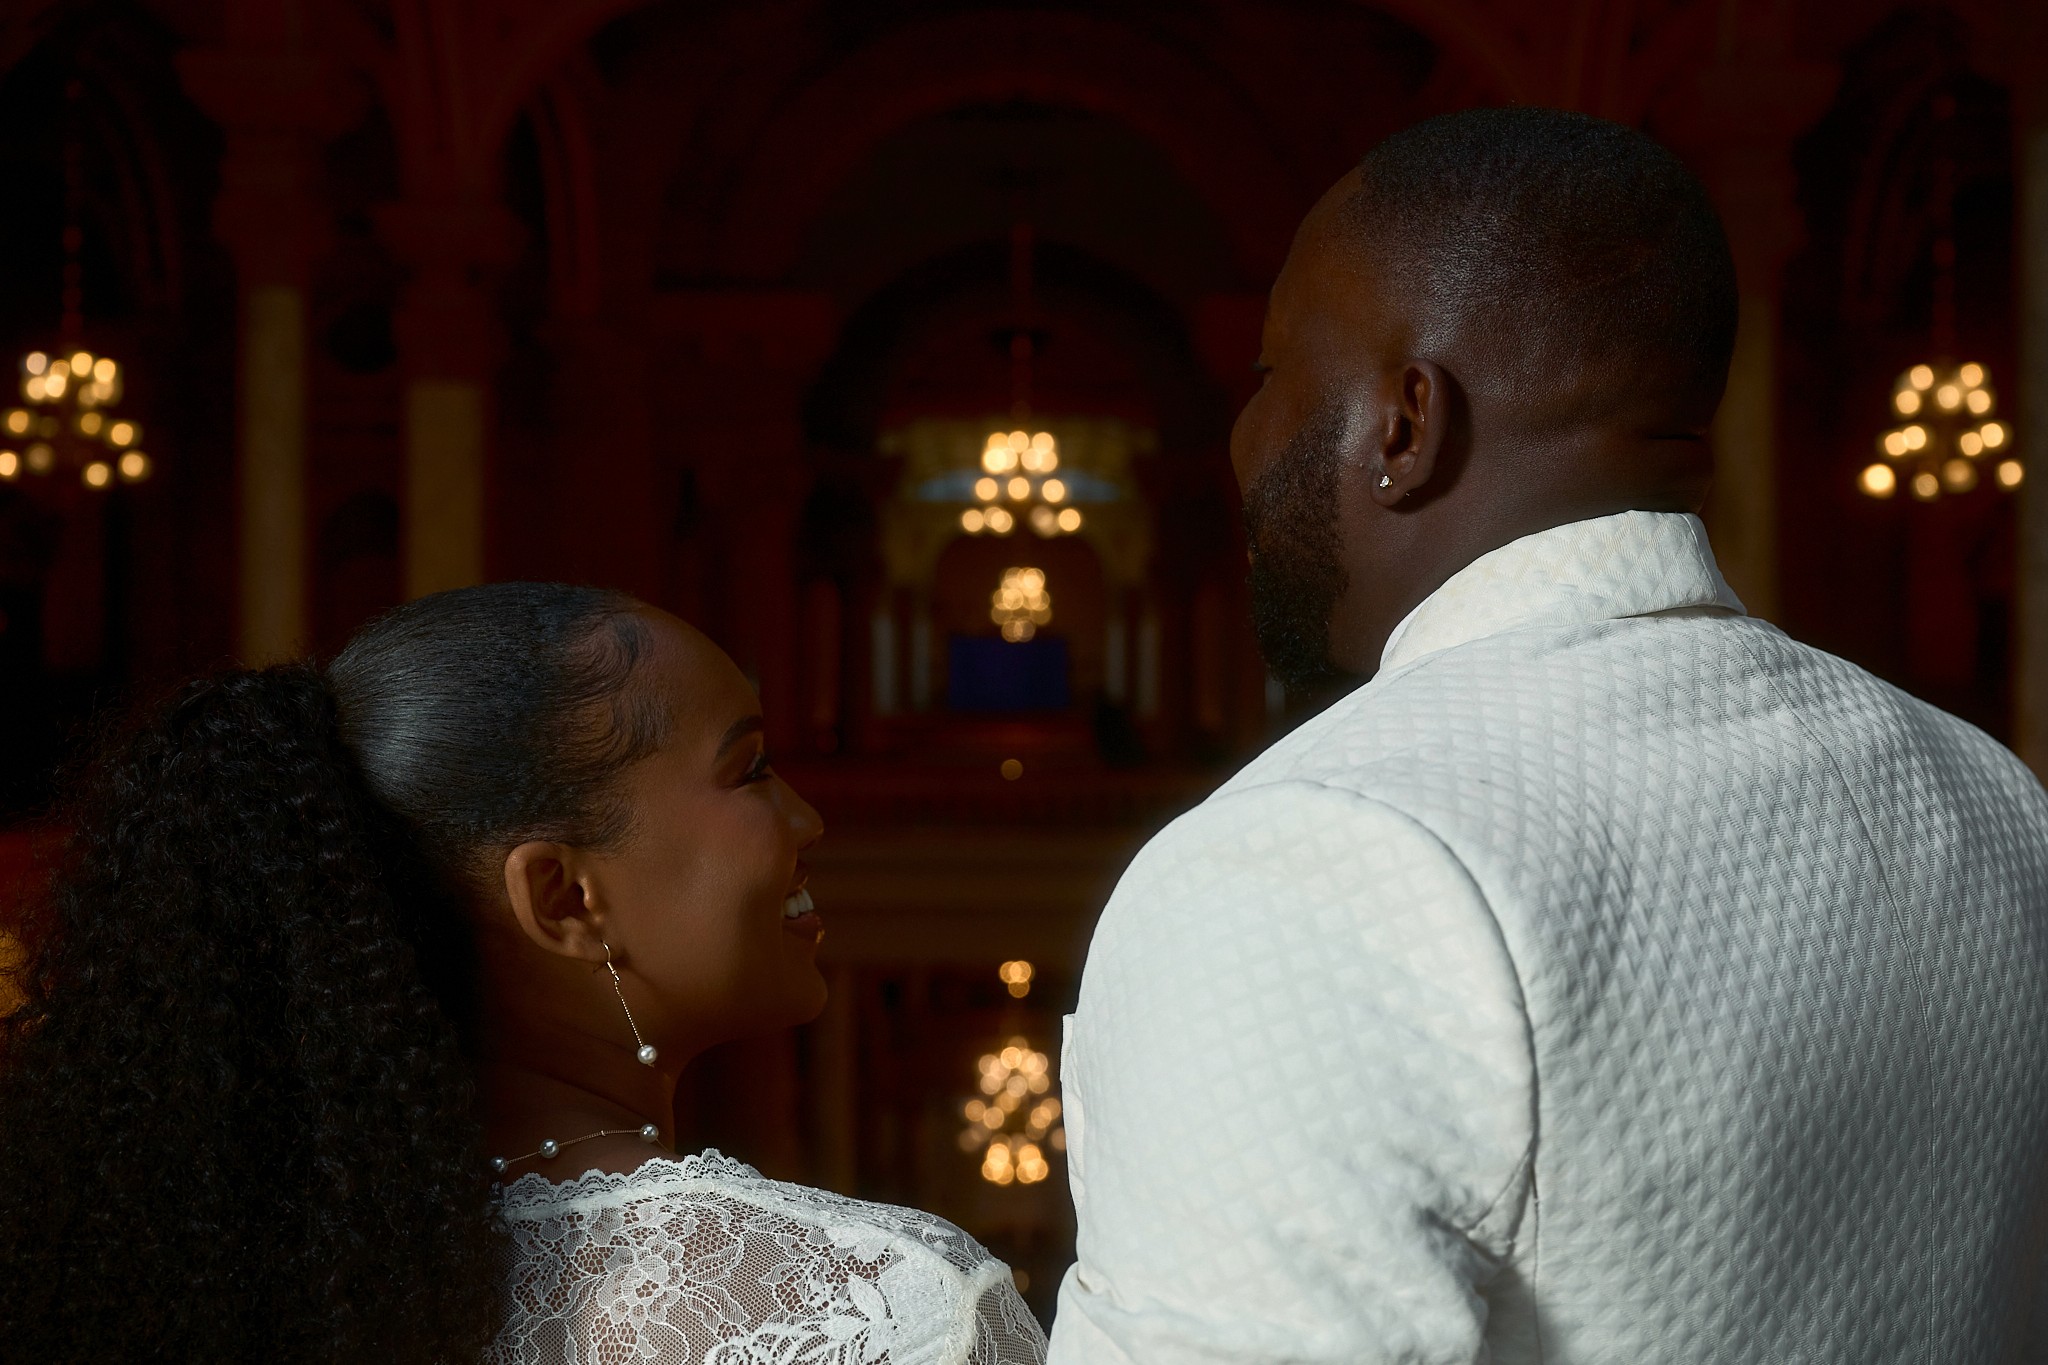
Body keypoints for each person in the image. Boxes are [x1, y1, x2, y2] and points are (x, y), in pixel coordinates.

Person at [1049, 107, 2048, 1364]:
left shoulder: (1308, 861)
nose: (1243, 437)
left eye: (1267, 377)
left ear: (1404, 425)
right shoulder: (1995, 799)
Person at [0, 583, 1048, 1365]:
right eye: (750, 769)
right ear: (563, 898)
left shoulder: (233, 1287)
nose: (807, 818)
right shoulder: (885, 1308)